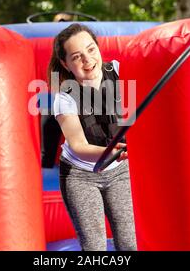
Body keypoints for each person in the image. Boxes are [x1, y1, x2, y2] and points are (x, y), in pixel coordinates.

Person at [47, 23, 137, 251]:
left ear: (98, 48)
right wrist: (118, 152)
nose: (88, 60)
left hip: (118, 172)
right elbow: (78, 145)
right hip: (81, 175)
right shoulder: (65, 96)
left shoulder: (119, 71)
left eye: (91, 50)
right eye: (77, 57)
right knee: (95, 246)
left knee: (129, 243)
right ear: (66, 64)